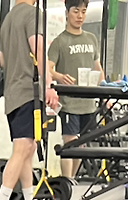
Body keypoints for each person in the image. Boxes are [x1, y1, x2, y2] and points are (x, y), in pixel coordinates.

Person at [0, 0, 58, 200]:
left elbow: (3, 60)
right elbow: (38, 50)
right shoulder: (33, 14)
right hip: (27, 92)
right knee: (23, 148)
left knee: (29, 148)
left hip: (12, 92)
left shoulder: (7, 19)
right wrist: (48, 85)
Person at [47, 0, 103, 179]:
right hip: (69, 103)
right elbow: (47, 68)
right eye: (76, 11)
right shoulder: (59, 42)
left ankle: (71, 180)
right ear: (67, 13)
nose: (80, 16)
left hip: (89, 103)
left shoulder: (91, 39)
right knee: (69, 143)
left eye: (83, 12)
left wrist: (105, 91)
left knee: (82, 145)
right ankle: (66, 181)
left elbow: (97, 68)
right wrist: (59, 76)